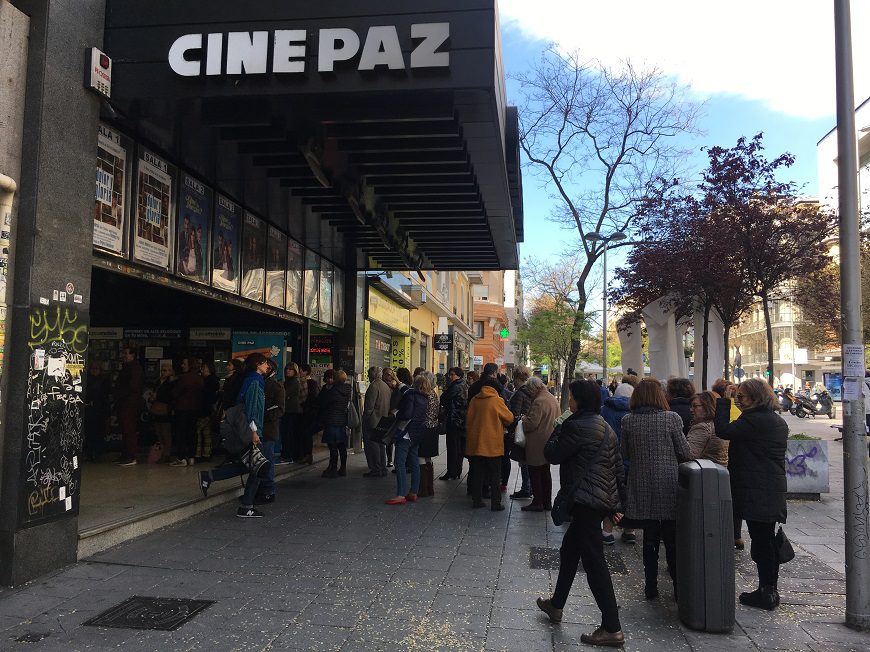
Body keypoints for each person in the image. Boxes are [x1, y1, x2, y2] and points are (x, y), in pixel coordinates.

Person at [537, 379, 626, 648]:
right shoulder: (604, 426)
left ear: (580, 401)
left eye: (572, 397)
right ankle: (556, 604)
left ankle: (612, 627)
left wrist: (559, 426)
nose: (569, 401)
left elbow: (551, 453)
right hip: (598, 500)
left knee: (595, 563)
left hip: (586, 501)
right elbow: (617, 466)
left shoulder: (576, 425)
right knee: (569, 550)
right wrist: (616, 504)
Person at [715, 379, 788, 610]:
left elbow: (723, 431)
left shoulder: (756, 420)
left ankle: (767, 592)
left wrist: (724, 402)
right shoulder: (773, 419)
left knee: (762, 542)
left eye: (743, 397)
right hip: (768, 486)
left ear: (756, 398)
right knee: (765, 540)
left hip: (759, 488)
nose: (739, 400)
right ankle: (769, 590)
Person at [621, 378, 691, 601]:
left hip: (640, 482)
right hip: (668, 482)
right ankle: (679, 588)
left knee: (649, 536)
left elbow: (625, 454)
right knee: (671, 538)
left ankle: (650, 587)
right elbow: (685, 452)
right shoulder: (672, 419)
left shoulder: (628, 421)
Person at [200, 352, 269, 518]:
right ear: (258, 364)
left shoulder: (250, 380)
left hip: (244, 428)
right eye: (265, 363)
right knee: (258, 467)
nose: (267, 366)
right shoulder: (254, 382)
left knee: (249, 464)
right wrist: (254, 432)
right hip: (250, 430)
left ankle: (210, 476)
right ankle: (246, 506)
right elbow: (252, 408)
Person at [464, 373, 514, 511]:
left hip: (476, 443)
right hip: (492, 445)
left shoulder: (474, 400)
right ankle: (495, 503)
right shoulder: (497, 401)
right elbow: (509, 418)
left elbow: (468, 420)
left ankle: (476, 500)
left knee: (477, 473)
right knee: (495, 475)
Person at [600, 376, 636, 545]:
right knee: (629, 495)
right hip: (629, 461)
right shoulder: (634, 412)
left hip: (608, 460)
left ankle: (607, 532)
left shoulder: (604, 410)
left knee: (611, 495)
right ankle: (629, 530)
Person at [385, 374, 430, 505]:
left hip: (406, 433)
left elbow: (407, 414)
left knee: (399, 462)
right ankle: (413, 492)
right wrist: (397, 379)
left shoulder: (410, 395)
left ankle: (400, 494)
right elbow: (404, 388)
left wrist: (395, 413)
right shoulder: (424, 398)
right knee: (414, 462)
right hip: (417, 434)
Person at [712, 377, 745, 549]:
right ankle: (736, 534)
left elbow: (723, 430)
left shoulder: (737, 411)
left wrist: (725, 401)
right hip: (734, 458)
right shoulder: (744, 411)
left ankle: (733, 534)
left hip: (734, 460)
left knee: (733, 497)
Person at [518, 376, 560, 512]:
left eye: (529, 390)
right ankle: (547, 502)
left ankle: (538, 502)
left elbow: (532, 423)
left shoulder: (539, 401)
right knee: (545, 473)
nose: (529, 393)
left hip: (537, 442)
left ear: (534, 388)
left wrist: (523, 420)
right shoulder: (551, 398)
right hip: (549, 440)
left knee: (535, 473)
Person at [256, 359, 285, 503]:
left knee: (267, 459)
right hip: (258, 428)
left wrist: (263, 415)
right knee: (259, 460)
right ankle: (259, 489)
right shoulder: (258, 383)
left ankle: (268, 491)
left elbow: (280, 409)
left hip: (267, 429)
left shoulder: (275, 386)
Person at [508, 366, 535, 500]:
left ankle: (526, 488)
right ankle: (529, 487)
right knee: (527, 459)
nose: (514, 382)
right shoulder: (531, 391)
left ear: (518, 378)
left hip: (521, 429)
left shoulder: (520, 393)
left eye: (514, 379)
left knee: (523, 460)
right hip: (529, 429)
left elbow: (515, 414)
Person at [170, 357, 204, 466]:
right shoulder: (199, 378)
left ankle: (181, 457)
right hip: (195, 409)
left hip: (182, 409)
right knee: (192, 434)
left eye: (184, 364)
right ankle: (191, 457)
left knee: (181, 433)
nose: (182, 365)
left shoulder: (184, 378)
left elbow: (175, 393)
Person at [114, 346, 144, 466]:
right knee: (125, 429)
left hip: (129, 402)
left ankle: (131, 456)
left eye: (126, 353)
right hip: (125, 402)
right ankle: (126, 454)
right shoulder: (129, 367)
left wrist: (120, 394)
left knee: (128, 429)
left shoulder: (134, 368)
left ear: (133, 355)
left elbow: (132, 386)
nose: (124, 356)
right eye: (124, 353)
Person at [318, 369, 351, 478]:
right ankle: (343, 468)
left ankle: (333, 468)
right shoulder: (347, 390)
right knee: (341, 445)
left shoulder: (333, 391)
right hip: (341, 420)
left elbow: (323, 403)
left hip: (331, 419)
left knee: (332, 445)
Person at [362, 366, 391, 478]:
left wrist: (365, 418)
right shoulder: (385, 386)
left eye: (369, 374)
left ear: (372, 375)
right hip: (384, 420)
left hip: (374, 420)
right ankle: (382, 468)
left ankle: (376, 469)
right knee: (381, 446)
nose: (368, 376)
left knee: (373, 446)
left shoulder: (373, 386)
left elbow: (369, 406)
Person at [439, 367, 467, 481]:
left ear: (458, 375)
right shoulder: (465, 385)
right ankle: (457, 471)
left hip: (454, 420)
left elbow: (443, 398)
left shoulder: (455, 386)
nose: (450, 377)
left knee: (452, 448)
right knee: (458, 448)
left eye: (452, 374)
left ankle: (452, 472)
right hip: (461, 421)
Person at [687, 391, 729, 465]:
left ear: (707, 407)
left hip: (704, 473)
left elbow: (689, 455)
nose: (691, 409)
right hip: (720, 472)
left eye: (695, 406)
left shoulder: (702, 428)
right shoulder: (718, 425)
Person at [417, 371, 440, 497]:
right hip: (433, 428)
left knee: (421, 456)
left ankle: (423, 487)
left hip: (425, 428)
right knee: (428, 458)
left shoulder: (426, 395)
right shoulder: (434, 394)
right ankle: (429, 487)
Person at [83, 361, 112, 462]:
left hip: (99, 409)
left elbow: (105, 394)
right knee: (89, 431)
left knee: (98, 432)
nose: (94, 371)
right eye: (93, 369)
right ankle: (90, 452)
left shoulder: (103, 380)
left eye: (96, 369)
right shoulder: (88, 380)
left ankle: (97, 452)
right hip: (90, 409)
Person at [148, 363, 174, 463]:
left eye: (166, 370)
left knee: (165, 432)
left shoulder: (171, 383)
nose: (164, 372)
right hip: (157, 408)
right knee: (158, 432)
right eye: (162, 370)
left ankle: (166, 454)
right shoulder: (158, 381)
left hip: (165, 409)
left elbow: (170, 396)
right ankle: (160, 453)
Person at [195, 360, 219, 461]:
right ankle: (207, 453)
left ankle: (198, 453)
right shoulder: (214, 380)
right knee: (207, 432)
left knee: (199, 431)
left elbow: (206, 396)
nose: (202, 369)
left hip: (204, 409)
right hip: (209, 410)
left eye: (204, 367)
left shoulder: (207, 381)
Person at [298, 363, 320, 465]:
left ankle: (307, 455)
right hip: (304, 412)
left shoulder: (311, 383)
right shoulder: (301, 382)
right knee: (304, 434)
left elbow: (313, 398)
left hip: (309, 413)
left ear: (306, 372)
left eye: (301, 370)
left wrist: (304, 405)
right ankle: (305, 454)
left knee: (306, 433)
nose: (299, 372)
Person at [281, 362, 302, 463]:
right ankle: (288, 453)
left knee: (289, 433)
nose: (288, 371)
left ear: (295, 371)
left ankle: (289, 454)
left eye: (290, 369)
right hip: (289, 410)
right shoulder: (288, 381)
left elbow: (284, 394)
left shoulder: (293, 382)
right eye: (287, 369)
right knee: (287, 433)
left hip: (291, 410)